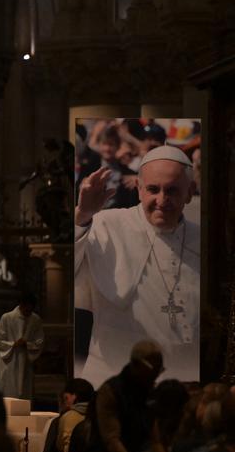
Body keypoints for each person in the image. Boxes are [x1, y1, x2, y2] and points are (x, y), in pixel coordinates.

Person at [75, 145, 200, 386]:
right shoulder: (106, 225)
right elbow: (70, 270)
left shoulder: (203, 239)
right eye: (153, 189)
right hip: (111, 381)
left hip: (181, 381)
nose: (162, 200)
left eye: (172, 191)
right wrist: (82, 216)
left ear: (189, 192)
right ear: (139, 189)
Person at [82, 341, 167, 452]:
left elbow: (155, 440)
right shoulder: (110, 391)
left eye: (159, 371)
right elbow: (112, 441)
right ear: (137, 364)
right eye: (153, 371)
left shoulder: (148, 392)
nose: (155, 377)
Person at [40, 378, 95, 452]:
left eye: (66, 398)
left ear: (74, 397)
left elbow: (58, 446)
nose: (66, 403)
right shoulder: (99, 414)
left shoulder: (66, 417)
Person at [0, 296, 45, 399]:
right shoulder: (7, 318)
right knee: (9, 392)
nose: (27, 313)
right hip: (9, 361)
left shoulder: (35, 319)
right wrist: (13, 344)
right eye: (26, 310)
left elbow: (40, 341)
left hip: (25, 360)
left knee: (24, 393)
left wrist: (28, 344)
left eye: (30, 310)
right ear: (21, 305)